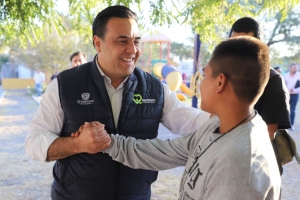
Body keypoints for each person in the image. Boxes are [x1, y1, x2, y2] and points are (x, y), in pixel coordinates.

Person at [25, 5, 210, 200]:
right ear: (98, 43)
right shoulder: (64, 85)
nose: (132, 50)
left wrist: (234, 120)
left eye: (136, 41)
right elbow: (34, 143)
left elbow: (192, 121)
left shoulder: (155, 89)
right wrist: (77, 144)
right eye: (122, 41)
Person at [75, 37, 281, 200]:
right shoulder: (218, 126)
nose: (199, 84)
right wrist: (107, 142)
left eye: (204, 75)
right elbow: (166, 151)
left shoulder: (240, 167)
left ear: (220, 82)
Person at [229, 17, 291, 175]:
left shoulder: (273, 80)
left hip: (256, 166)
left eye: (245, 43)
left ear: (259, 46)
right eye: (233, 42)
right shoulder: (226, 76)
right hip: (226, 159)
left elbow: (269, 134)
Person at [284, 64, 300, 131]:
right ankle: (284, 124)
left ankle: (291, 125)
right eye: (293, 68)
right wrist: (288, 89)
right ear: (290, 68)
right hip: (287, 94)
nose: (295, 69)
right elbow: (283, 85)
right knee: (285, 110)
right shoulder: (286, 76)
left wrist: (294, 90)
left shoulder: (299, 75)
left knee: (292, 110)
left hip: (295, 95)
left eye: (296, 68)